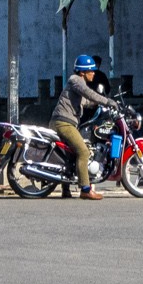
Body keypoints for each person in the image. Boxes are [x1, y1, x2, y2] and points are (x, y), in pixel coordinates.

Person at [52, 54, 113, 200]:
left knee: (70, 155)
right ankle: (86, 189)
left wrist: (97, 104)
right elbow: (89, 94)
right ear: (82, 72)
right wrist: (108, 101)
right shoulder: (76, 80)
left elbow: (86, 101)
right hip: (64, 123)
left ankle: (65, 189)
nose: (93, 73)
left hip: (63, 122)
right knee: (83, 152)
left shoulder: (77, 84)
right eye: (91, 71)